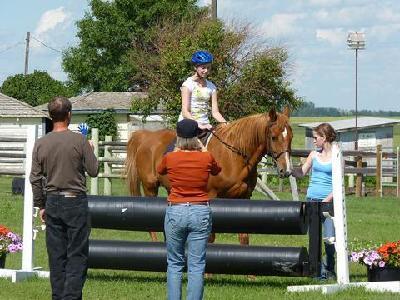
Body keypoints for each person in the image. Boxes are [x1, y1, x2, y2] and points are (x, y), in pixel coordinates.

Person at [30, 96, 99, 300]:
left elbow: (35, 178)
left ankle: (58, 296)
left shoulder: (41, 143)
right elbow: (93, 171)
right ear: (69, 115)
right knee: (77, 255)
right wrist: (91, 149)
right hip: (75, 200)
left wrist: (40, 205)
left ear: (51, 116)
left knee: (56, 256)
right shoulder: (79, 140)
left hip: (52, 201)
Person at [157, 118, 222, 300]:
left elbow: (159, 170)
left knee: (175, 263)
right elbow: (217, 170)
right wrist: (204, 149)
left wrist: (175, 150)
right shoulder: (206, 157)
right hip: (200, 210)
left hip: (176, 210)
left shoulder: (171, 157)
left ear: (178, 135)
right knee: (196, 265)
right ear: (197, 136)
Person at [292, 122, 337, 280]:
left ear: (324, 138)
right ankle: (316, 271)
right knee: (314, 239)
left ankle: (330, 268)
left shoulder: (337, 157)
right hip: (312, 200)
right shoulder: (313, 155)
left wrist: (327, 199)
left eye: (315, 137)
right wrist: (290, 170)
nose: (313, 140)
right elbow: (302, 172)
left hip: (328, 203)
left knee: (330, 239)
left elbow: (339, 184)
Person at [179, 50, 227, 132]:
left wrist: (226, 124)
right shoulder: (187, 85)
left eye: (208, 67)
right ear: (195, 67)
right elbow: (185, 112)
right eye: (203, 68)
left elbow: (215, 112)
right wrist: (198, 124)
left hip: (206, 124)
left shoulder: (212, 87)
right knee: (198, 145)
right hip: (188, 124)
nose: (206, 71)